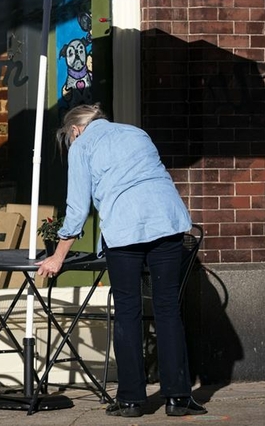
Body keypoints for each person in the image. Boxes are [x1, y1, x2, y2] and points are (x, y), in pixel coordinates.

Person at [34, 103, 206, 418]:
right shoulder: (137, 133)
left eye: (70, 138)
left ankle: (131, 400)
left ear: (75, 130)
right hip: (166, 222)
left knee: (127, 311)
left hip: (124, 230)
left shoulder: (82, 147)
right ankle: (179, 398)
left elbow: (76, 208)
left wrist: (58, 257)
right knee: (168, 309)